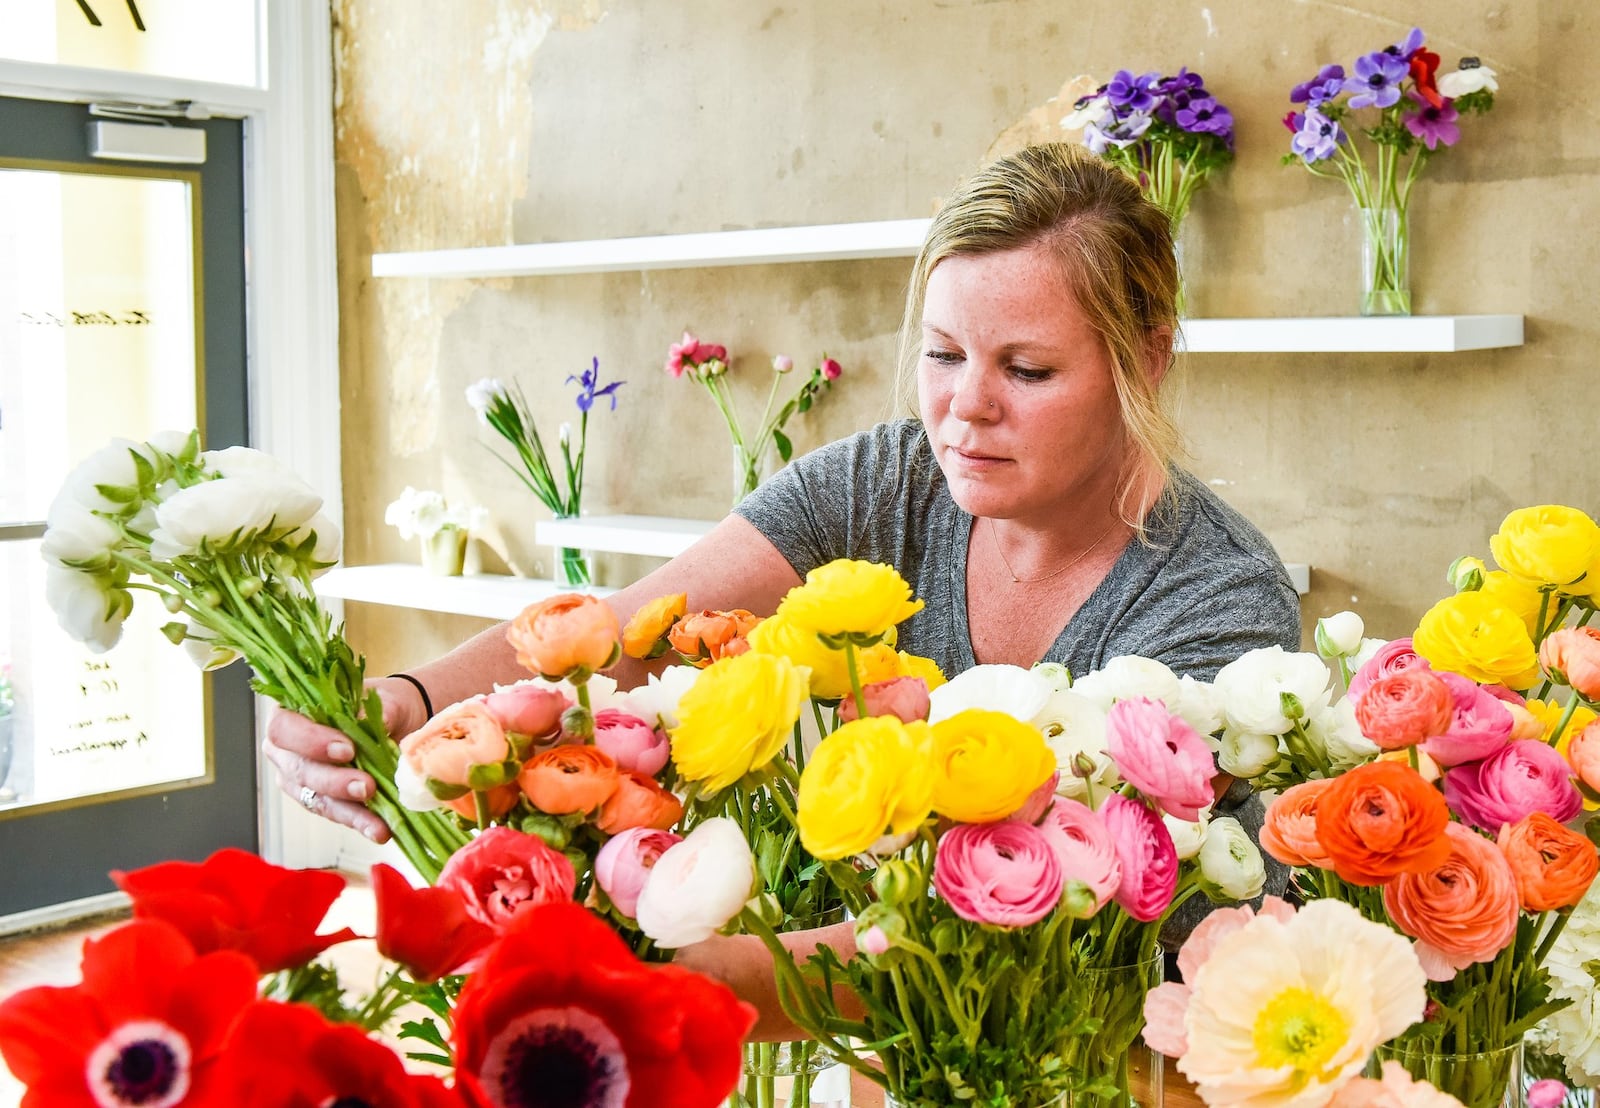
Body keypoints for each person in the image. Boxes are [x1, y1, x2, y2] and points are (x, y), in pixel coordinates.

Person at [265, 141, 1300, 1033]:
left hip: (1111, 1056)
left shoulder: (1218, 598)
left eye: (1026, 371)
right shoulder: (886, 481)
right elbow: (625, 629)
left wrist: (658, 983)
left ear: (1146, 362)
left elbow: (991, 941)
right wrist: (414, 703)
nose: (963, 409)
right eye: (941, 355)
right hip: (877, 1050)